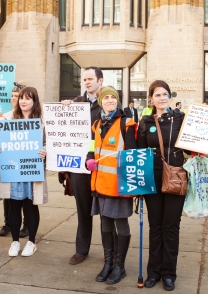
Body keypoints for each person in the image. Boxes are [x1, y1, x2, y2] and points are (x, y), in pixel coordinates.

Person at [137, 80, 190, 291]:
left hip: (176, 175)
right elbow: (140, 153)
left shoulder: (180, 118)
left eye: (165, 94)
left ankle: (169, 273)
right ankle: (153, 272)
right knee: (155, 226)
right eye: (157, 94)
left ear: (169, 96)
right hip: (152, 178)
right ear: (151, 98)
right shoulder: (145, 121)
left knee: (170, 227)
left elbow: (197, 142)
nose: (162, 98)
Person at [86, 86, 137, 284]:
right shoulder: (97, 123)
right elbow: (92, 148)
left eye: (112, 97)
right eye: (105, 97)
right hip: (100, 184)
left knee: (121, 225)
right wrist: (88, 159)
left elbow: (132, 154)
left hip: (119, 185)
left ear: (117, 101)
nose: (109, 100)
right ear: (100, 101)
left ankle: (120, 267)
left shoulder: (126, 123)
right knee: (105, 224)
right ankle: (108, 263)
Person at [0, 86, 47, 257]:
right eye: (21, 98)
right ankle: (15, 242)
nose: (23, 101)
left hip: (32, 170)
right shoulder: (7, 118)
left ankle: (31, 242)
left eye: (28, 98)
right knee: (14, 206)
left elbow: (49, 142)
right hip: (13, 171)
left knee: (31, 206)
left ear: (34, 101)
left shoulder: (42, 121)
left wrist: (44, 151)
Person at [62, 66, 103, 265]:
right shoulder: (77, 103)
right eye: (84, 79)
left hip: (102, 165)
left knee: (106, 212)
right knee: (83, 209)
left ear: (100, 81)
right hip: (79, 166)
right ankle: (81, 250)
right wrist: (64, 109)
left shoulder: (108, 103)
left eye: (90, 79)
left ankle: (110, 253)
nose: (87, 82)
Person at [0, 86, 29, 238]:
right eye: (13, 96)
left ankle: (26, 226)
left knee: (27, 197)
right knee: (7, 196)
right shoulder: (5, 117)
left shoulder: (33, 118)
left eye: (17, 96)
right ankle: (8, 223)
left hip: (26, 164)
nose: (15, 98)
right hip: (8, 164)